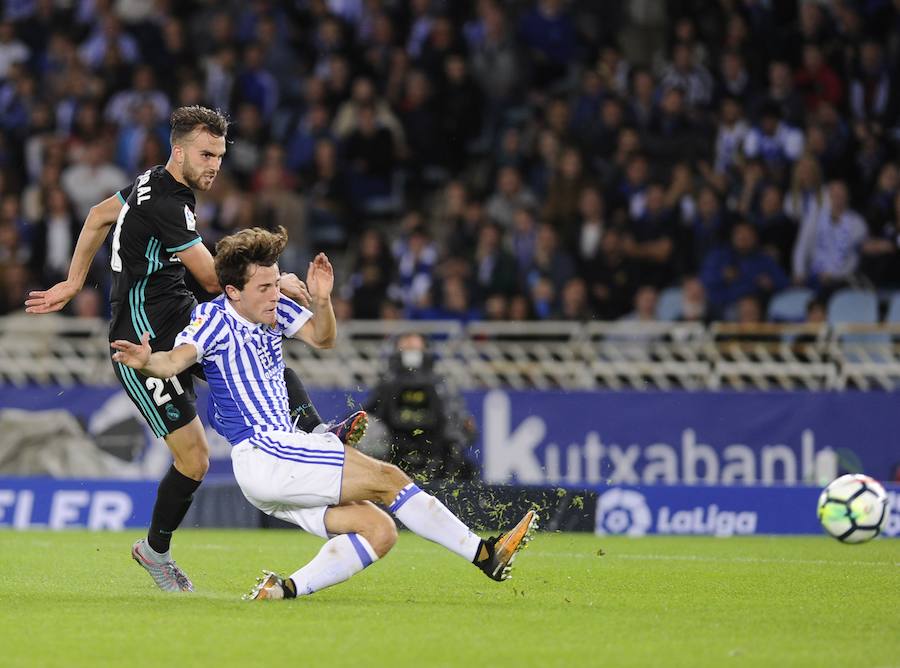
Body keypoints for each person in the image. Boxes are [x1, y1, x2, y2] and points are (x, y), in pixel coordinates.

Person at [25, 106, 365, 593]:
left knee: (260, 354)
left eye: (221, 156)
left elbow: (100, 216)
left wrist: (74, 282)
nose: (215, 166)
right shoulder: (169, 202)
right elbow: (212, 277)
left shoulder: (150, 183)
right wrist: (275, 280)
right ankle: (154, 551)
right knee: (196, 460)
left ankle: (318, 436)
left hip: (183, 319)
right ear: (179, 151)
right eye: (207, 154)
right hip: (142, 341)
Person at [111, 226, 538, 599]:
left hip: (278, 463)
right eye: (264, 288)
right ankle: (486, 554)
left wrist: (321, 300)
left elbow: (323, 337)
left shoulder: (272, 309)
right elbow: (175, 361)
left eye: (277, 283)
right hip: (266, 452)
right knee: (390, 479)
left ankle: (284, 589)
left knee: (380, 531)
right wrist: (148, 360)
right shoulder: (212, 320)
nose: (275, 294)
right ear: (232, 292)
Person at [364, 332, 477, 480]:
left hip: (436, 456)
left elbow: (458, 424)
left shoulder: (440, 386)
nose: (411, 353)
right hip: (393, 456)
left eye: (415, 348)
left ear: (425, 351)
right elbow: (370, 418)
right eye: (406, 348)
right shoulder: (386, 385)